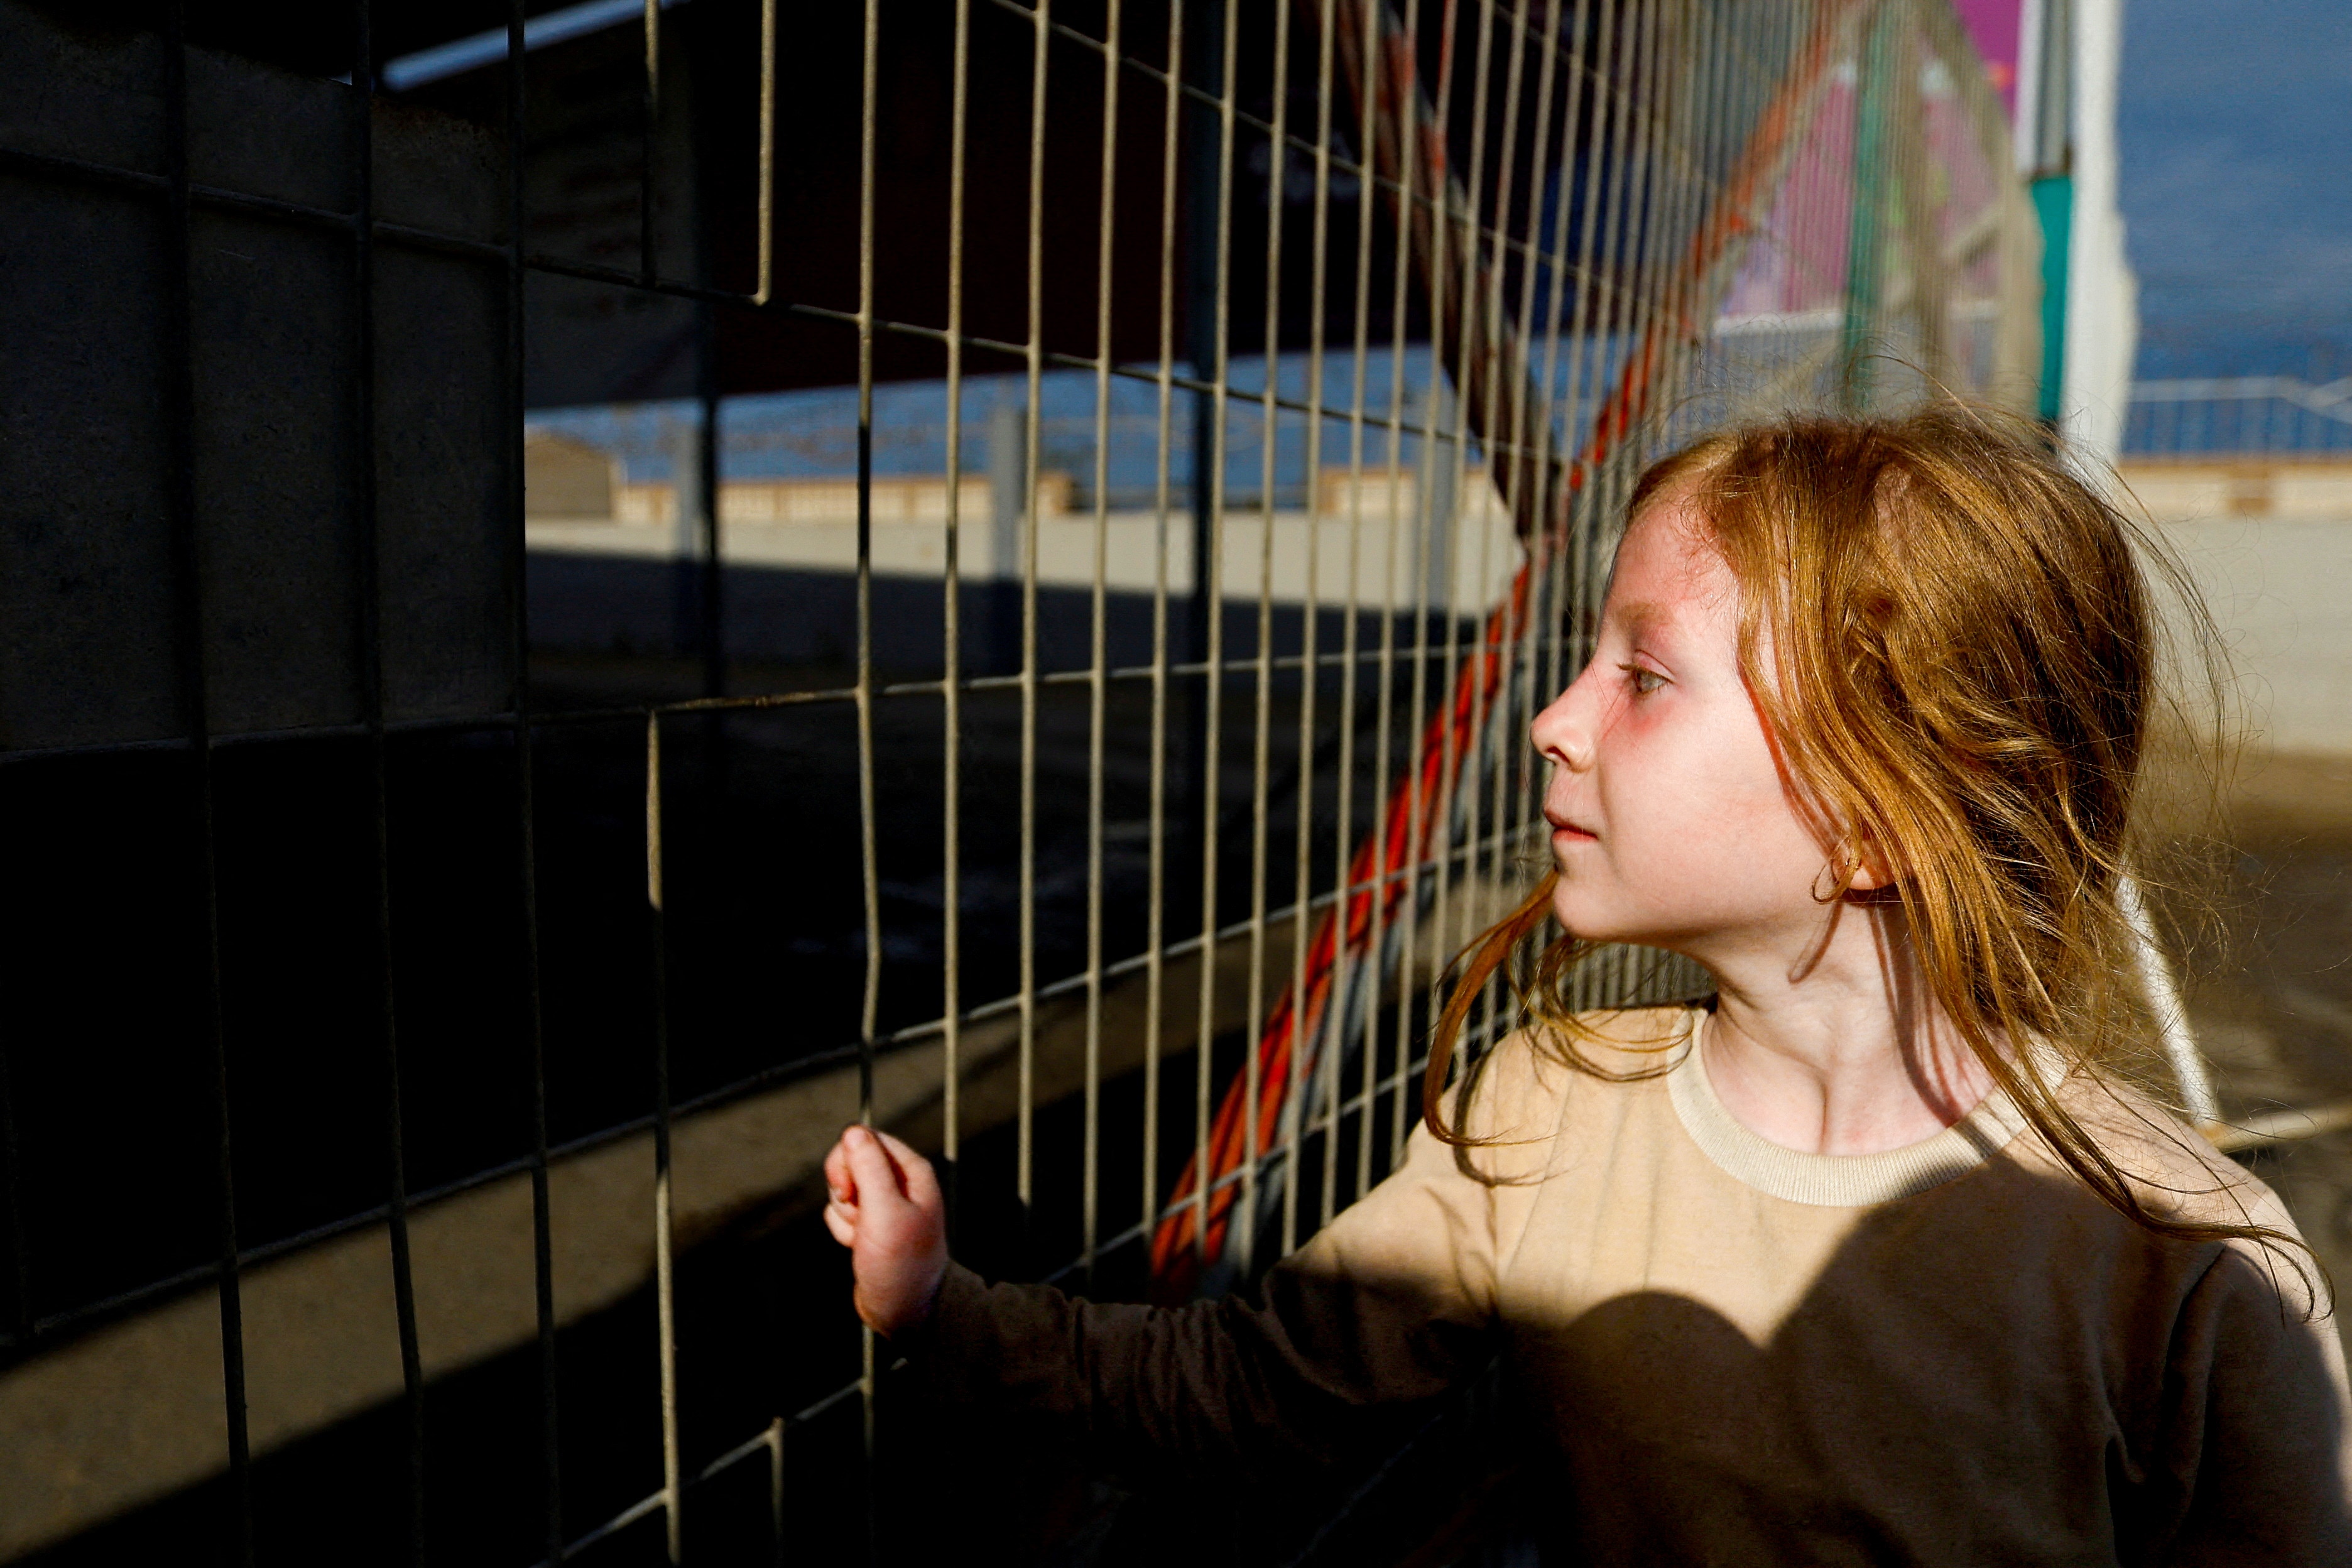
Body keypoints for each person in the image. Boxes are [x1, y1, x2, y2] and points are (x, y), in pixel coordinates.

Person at [823, 407, 2352, 1563]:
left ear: (1888, 807)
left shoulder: (2189, 1274)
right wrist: (945, 1309)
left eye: (1642, 674)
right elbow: (1251, 1390)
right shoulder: (1556, 1108)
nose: (1551, 720)